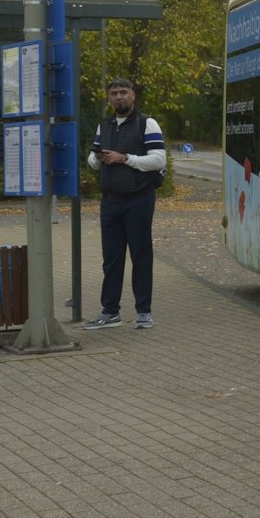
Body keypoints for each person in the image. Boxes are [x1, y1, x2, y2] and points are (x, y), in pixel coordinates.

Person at [84, 79, 166, 330]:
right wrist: (97, 159)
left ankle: (143, 312)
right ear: (109, 99)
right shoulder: (105, 125)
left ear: (133, 96)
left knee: (141, 255)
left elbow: (158, 159)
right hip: (110, 202)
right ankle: (110, 312)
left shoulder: (146, 123)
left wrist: (125, 158)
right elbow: (92, 159)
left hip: (138, 200)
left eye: (123, 93)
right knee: (111, 259)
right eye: (114, 94)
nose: (119, 97)